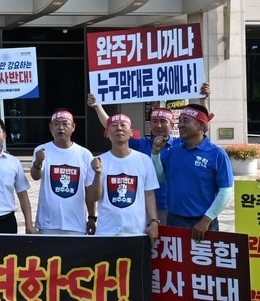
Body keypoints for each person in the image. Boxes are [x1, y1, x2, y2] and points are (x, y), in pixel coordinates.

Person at [153, 103, 233, 301]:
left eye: (186, 121)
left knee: (206, 277)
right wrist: (156, 154)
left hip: (204, 224)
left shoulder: (216, 153)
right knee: (178, 274)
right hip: (176, 219)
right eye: (180, 121)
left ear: (201, 125)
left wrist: (207, 219)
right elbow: (159, 176)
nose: (180, 126)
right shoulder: (174, 149)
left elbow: (226, 191)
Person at [87, 83, 210, 221]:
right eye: (154, 121)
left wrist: (202, 100)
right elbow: (113, 127)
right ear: (149, 124)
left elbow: (201, 128)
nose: (158, 125)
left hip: (173, 207)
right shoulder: (142, 144)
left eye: (163, 121)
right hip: (143, 205)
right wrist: (98, 107)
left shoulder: (180, 145)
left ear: (171, 125)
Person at [31, 109, 100, 235]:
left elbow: (88, 190)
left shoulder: (84, 154)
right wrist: (38, 162)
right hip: (48, 225)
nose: (60, 128)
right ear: (50, 127)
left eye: (65, 124)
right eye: (56, 124)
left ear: (73, 127)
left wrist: (91, 217)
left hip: (76, 225)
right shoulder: (42, 150)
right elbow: (35, 176)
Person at [92, 113, 160, 239]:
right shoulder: (98, 161)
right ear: (107, 133)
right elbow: (94, 197)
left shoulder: (144, 160)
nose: (119, 128)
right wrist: (97, 174)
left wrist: (154, 221)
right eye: (114, 125)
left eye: (123, 125)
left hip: (137, 231)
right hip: (106, 231)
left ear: (131, 132)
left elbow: (149, 194)